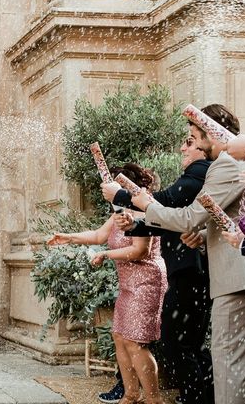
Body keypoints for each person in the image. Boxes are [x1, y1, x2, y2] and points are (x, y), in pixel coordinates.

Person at [129, 104, 245, 404]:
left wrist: (147, 206)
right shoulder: (238, 164)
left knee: (228, 360)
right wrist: (201, 237)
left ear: (211, 134)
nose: (192, 144)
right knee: (238, 361)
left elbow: (189, 217)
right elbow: (231, 217)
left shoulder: (224, 163)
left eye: (194, 137)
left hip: (236, 279)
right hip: (238, 273)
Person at [100, 137, 214, 404]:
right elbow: (167, 219)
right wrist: (135, 226)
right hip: (183, 272)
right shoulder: (197, 173)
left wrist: (121, 196)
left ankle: (197, 397)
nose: (182, 148)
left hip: (187, 272)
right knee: (182, 343)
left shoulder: (199, 172)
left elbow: (166, 204)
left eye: (190, 140)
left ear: (205, 144)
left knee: (178, 343)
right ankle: (193, 395)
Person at [48, 164, 167, 404]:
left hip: (146, 282)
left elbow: (139, 251)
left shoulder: (144, 212)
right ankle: (131, 394)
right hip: (128, 283)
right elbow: (99, 236)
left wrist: (105, 255)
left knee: (135, 342)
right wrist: (68, 238)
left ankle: (153, 400)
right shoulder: (119, 211)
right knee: (120, 337)